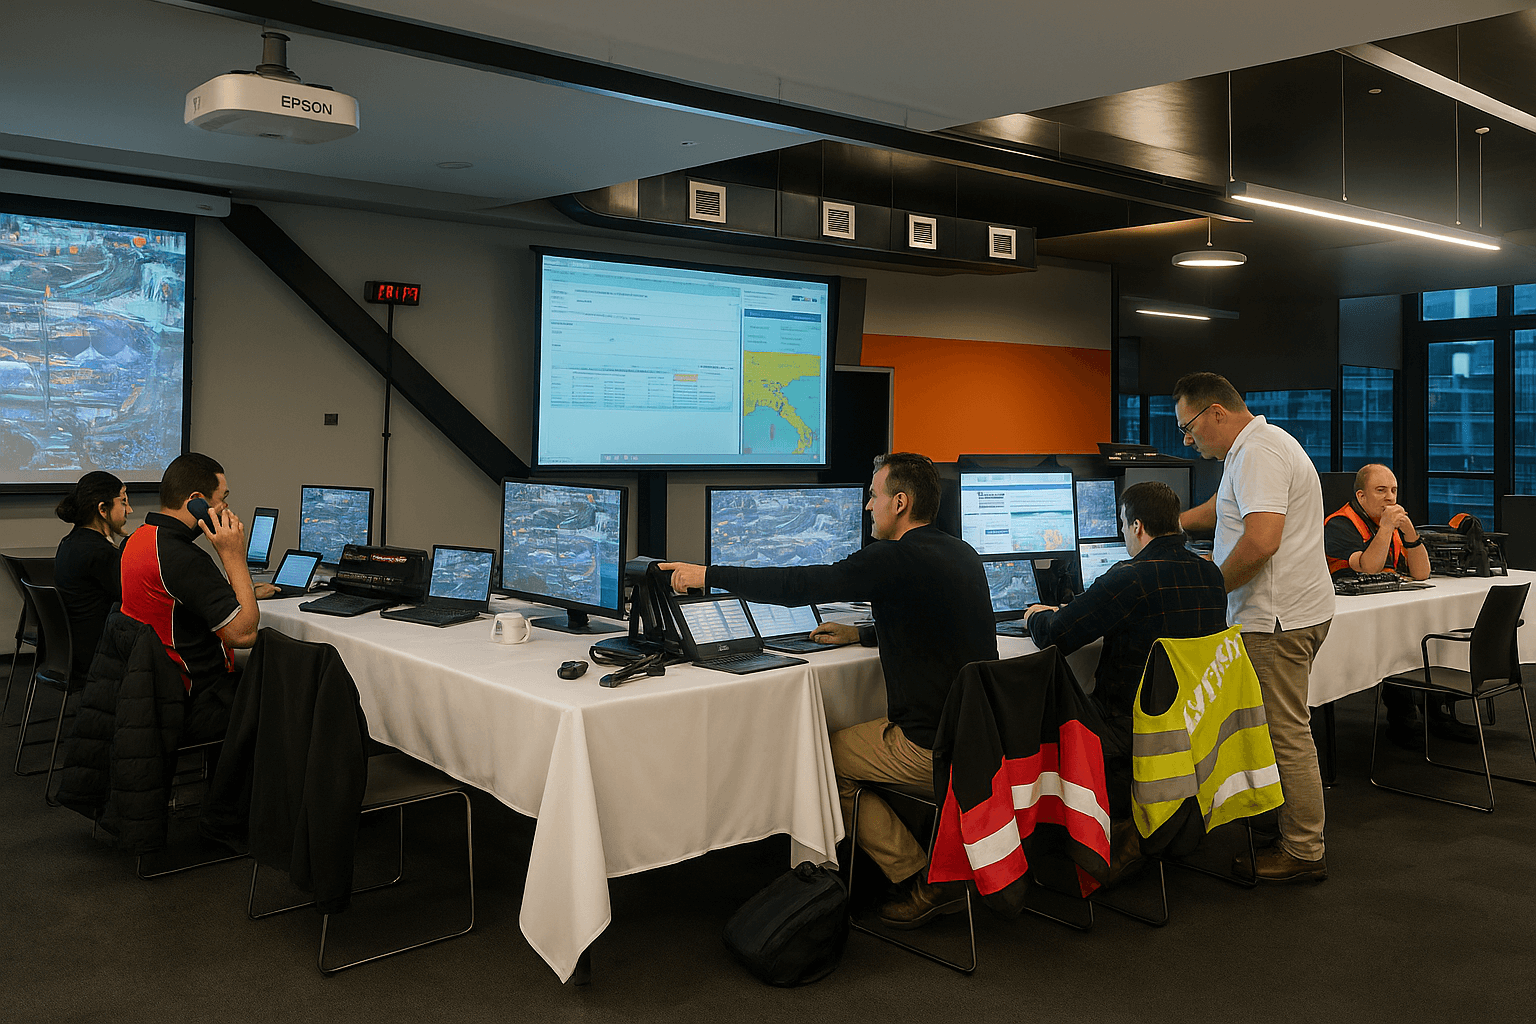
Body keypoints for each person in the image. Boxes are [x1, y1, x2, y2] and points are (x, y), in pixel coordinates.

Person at [659, 453, 997, 928]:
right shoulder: (961, 552)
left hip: (932, 749)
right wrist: (862, 633)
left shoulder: (893, 557)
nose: (868, 507)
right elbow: (936, 621)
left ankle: (925, 878)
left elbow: (800, 584)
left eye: (874, 496)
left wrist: (707, 575)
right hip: (983, 740)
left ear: (900, 503)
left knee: (821, 759)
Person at [1175, 372, 1334, 883]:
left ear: (1217, 413)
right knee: (1276, 728)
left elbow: (1262, 541)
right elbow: (1224, 511)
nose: (1187, 440)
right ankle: (1287, 826)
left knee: (1286, 733)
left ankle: (1304, 849)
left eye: (1188, 427)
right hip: (1292, 610)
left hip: (1274, 620)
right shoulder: (1254, 447)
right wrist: (1172, 524)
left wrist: (1210, 591)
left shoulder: (1258, 454)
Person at [1021, 481, 1227, 877]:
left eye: (1121, 525)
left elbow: (1057, 635)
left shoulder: (1130, 577)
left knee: (1038, 712)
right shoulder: (1210, 574)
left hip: (1129, 728)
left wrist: (1036, 616)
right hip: (1196, 725)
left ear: (1136, 526)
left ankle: (1057, 840)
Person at [118, 453, 275, 743]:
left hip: (149, 694)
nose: (226, 507)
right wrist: (233, 555)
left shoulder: (138, 539)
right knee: (294, 686)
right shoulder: (183, 558)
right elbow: (243, 635)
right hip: (195, 701)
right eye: (222, 498)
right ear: (196, 501)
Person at [1323, 464, 1469, 746]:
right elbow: (1370, 567)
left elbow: (1421, 573)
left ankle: (1436, 712)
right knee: (1400, 635)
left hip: (1387, 605)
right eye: (1381, 491)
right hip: (1349, 616)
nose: (1390, 498)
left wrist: (1410, 532)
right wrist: (1387, 528)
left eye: (1393, 491)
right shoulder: (1339, 524)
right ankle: (1403, 719)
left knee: (1429, 625)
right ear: (1361, 496)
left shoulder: (1386, 523)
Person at [53, 471, 133, 682]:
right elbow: (131, 601)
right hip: (97, 656)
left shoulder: (69, 542)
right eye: (123, 502)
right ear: (102, 509)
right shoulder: (100, 553)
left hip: (72, 652)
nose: (129, 510)